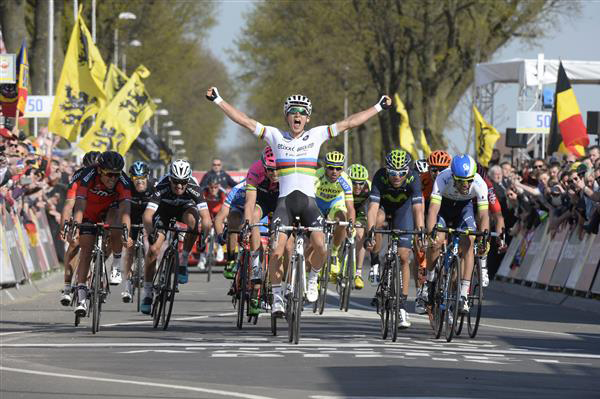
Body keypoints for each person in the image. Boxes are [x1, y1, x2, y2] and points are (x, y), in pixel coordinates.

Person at [206, 86, 391, 315]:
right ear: (287, 116)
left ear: (308, 118)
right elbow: (245, 121)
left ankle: (313, 278)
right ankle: (276, 298)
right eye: (293, 111)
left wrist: (378, 107)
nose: (297, 115)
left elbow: (349, 123)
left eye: (302, 112)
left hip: (308, 204)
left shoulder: (316, 135)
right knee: (276, 250)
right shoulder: (275, 136)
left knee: (322, 246)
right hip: (284, 204)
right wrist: (218, 100)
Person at [140, 160, 211, 314]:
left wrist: (203, 237)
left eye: (183, 182)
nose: (179, 186)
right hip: (164, 211)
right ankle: (147, 292)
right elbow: (147, 216)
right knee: (153, 250)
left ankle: (183, 259)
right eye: (176, 182)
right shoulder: (161, 187)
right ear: (170, 179)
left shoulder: (194, 188)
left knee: (194, 221)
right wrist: (151, 233)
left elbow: (206, 219)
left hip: (184, 209)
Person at [422, 154, 490, 314]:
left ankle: (463, 294)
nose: (466, 185)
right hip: (443, 210)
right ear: (453, 176)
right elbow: (432, 210)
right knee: (437, 241)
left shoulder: (479, 182)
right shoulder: (442, 178)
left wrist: (484, 238)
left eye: (469, 180)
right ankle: (430, 280)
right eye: (461, 181)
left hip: (463, 210)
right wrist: (431, 233)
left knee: (470, 241)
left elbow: (483, 215)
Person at [68, 151, 133, 317]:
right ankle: (82, 297)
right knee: (86, 251)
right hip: (89, 211)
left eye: (116, 175)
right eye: (109, 175)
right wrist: (76, 225)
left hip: (110, 210)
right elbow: (80, 204)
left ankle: (116, 264)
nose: (113, 179)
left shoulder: (123, 181)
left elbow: (125, 209)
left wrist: (126, 231)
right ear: (99, 171)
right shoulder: (88, 175)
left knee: (117, 222)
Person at [365, 149, 425, 328]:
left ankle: (401, 306)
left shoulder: (414, 178)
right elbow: (373, 208)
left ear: (408, 171)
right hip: (384, 207)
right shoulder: (379, 177)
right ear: (387, 170)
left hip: (403, 210)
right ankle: (376, 262)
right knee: (378, 220)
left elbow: (417, 210)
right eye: (393, 173)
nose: (397, 177)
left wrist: (420, 231)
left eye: (401, 173)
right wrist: (370, 233)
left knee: (404, 256)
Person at [59, 150, 101, 306]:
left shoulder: (108, 177)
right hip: (81, 212)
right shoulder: (78, 177)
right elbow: (69, 203)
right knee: (75, 243)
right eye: (88, 168)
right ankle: (67, 286)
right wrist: (64, 223)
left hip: (100, 212)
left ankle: (101, 272)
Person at [243, 146, 280, 315]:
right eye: (270, 170)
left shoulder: (288, 172)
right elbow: (250, 203)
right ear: (264, 166)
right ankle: (256, 260)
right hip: (262, 200)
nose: (274, 174)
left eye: (277, 170)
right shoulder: (255, 170)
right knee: (255, 216)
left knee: (277, 240)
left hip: (281, 201)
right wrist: (248, 224)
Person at [414, 150, 451, 315]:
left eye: (441, 169)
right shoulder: (423, 180)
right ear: (429, 168)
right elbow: (421, 208)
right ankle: (421, 290)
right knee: (420, 248)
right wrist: (422, 231)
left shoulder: (450, 179)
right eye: (434, 169)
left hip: (445, 210)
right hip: (428, 208)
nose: (437, 173)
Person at [314, 151, 355, 282]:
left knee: (342, 219)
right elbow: (308, 199)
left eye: (338, 168)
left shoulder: (345, 180)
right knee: (312, 240)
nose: (334, 172)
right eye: (331, 167)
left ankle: (334, 253)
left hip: (334, 204)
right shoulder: (317, 176)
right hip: (317, 203)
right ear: (325, 167)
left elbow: (350, 207)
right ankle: (311, 274)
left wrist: (351, 224)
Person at [121, 161, 155, 303]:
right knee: (129, 249)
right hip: (132, 218)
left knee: (152, 248)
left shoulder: (154, 187)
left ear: (147, 177)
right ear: (131, 178)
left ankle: (149, 278)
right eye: (135, 178)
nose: (139, 181)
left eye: (142, 178)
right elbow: (123, 211)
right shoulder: (127, 188)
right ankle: (127, 284)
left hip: (149, 218)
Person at [347, 163, 373, 290]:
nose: (357, 186)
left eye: (361, 183)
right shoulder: (343, 184)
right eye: (354, 183)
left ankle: (358, 273)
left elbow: (374, 206)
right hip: (346, 206)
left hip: (361, 208)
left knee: (361, 235)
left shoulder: (370, 186)